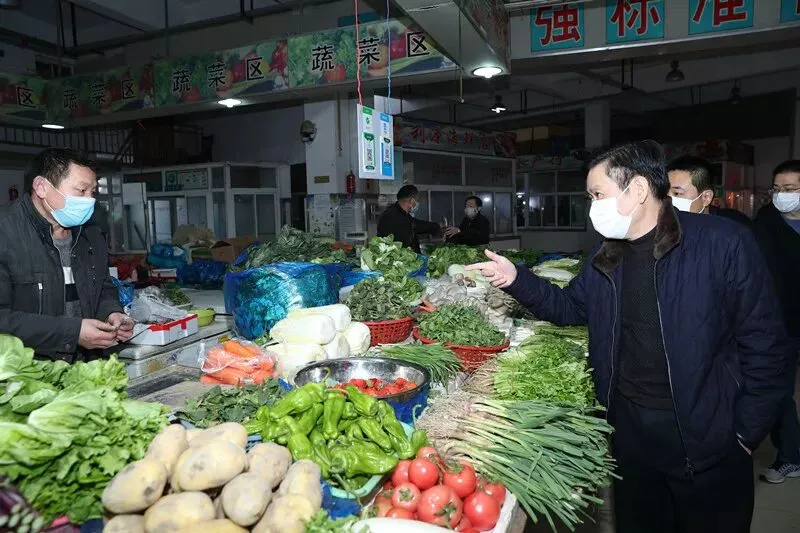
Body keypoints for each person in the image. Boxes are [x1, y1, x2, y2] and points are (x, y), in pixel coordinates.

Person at [467, 141, 789, 533]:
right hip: (632, 439)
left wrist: (744, 433)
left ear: (637, 190)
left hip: (707, 439)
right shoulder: (607, 256)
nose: (592, 206)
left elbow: (767, 346)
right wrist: (518, 279)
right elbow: (570, 309)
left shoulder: (722, 244)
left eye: (598, 194)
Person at [0, 148, 133, 362]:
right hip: (24, 373)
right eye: (81, 191)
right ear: (42, 187)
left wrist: (112, 313)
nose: (89, 201)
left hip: (83, 365)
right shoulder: (6, 233)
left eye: (92, 192)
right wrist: (72, 332)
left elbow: (103, 286)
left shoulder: (90, 233)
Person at [753, 160, 800, 484]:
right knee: (778, 391)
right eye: (778, 189)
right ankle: (790, 456)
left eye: (790, 189)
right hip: (780, 322)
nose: (781, 195)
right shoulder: (766, 221)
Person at [666, 155, 752, 226]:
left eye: (677, 193)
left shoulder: (733, 228)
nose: (667, 199)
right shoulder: (663, 226)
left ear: (706, 197)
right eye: (664, 192)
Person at [377, 185, 440, 253]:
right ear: (412, 201)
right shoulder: (393, 217)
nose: (418, 203)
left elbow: (415, 223)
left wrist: (437, 226)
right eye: (417, 200)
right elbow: (413, 226)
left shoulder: (399, 212)